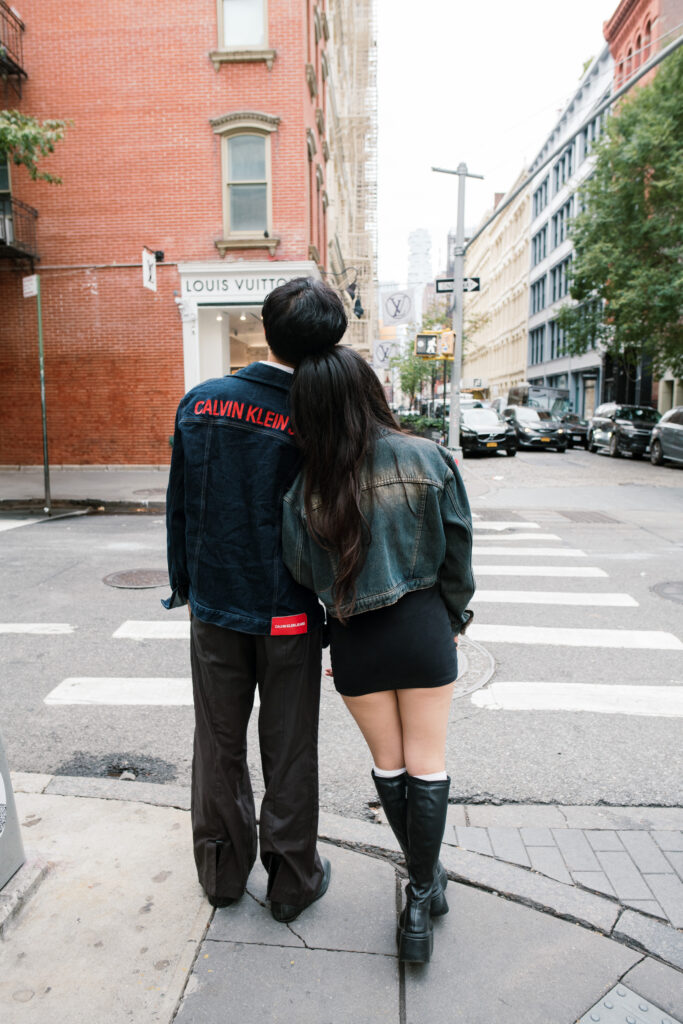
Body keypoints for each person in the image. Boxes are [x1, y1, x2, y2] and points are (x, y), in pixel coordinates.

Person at [282, 342, 475, 963]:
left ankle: (425, 883)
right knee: (429, 762)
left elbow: (306, 573)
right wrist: (453, 616)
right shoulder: (428, 457)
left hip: (356, 641)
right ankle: (420, 897)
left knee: (390, 767)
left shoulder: (307, 487)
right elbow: (458, 554)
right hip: (422, 629)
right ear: (371, 391)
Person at [163, 277, 348, 923]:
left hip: (215, 606)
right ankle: (293, 883)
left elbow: (180, 508)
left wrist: (186, 585)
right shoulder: (323, 414)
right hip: (288, 612)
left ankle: (220, 875)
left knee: (217, 744)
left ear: (267, 330)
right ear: (329, 343)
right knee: (289, 748)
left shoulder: (202, 402)